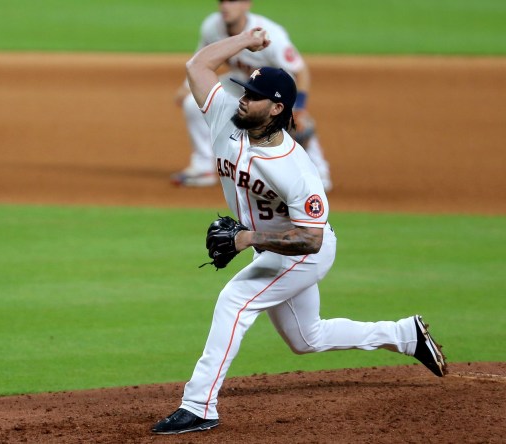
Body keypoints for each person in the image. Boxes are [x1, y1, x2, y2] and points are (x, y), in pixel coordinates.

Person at [151, 28, 448, 435]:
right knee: (307, 338)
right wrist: (245, 40)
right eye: (243, 91)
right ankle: (404, 335)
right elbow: (197, 65)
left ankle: (199, 404)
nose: (242, 98)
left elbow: (312, 238)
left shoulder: (297, 169)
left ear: (275, 109)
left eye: (252, 97)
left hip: (303, 254)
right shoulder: (224, 116)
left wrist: (246, 239)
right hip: (273, 250)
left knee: (234, 301)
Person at [170, 0, 332, 191]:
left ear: (247, 4)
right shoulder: (212, 26)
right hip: (243, 81)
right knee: (192, 104)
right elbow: (202, 57)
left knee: (296, 124)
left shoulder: (270, 34)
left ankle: (320, 173)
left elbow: (301, 71)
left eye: (232, 1)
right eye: (222, 1)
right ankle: (203, 166)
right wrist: (186, 86)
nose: (225, 6)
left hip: (276, 88)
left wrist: (300, 107)